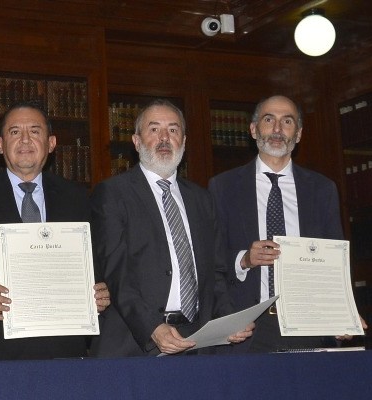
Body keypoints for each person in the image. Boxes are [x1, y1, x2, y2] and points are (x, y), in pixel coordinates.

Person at [0, 102, 111, 360]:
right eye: (14, 132)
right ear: (0, 145)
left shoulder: (76, 197)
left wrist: (98, 291)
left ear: (51, 143)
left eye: (35, 131)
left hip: (63, 351)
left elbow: (94, 262)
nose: (25, 139)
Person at [90, 99, 252, 357]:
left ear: (184, 142)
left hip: (198, 342)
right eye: (154, 130)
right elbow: (116, 272)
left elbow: (216, 272)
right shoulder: (113, 193)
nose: (164, 138)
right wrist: (152, 327)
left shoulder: (202, 199)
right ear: (136, 141)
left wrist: (228, 319)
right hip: (136, 343)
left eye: (173, 130)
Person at [208, 95, 345, 352]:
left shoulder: (322, 189)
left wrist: (341, 313)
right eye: (269, 120)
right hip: (247, 328)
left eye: (288, 121)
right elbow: (209, 262)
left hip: (307, 325)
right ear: (253, 129)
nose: (278, 129)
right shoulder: (223, 187)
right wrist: (245, 259)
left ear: (299, 133)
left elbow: (335, 263)